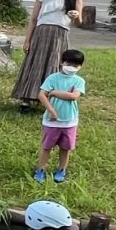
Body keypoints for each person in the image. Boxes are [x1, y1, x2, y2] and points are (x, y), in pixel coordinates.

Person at [13, 0, 82, 109]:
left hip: (59, 34)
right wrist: (27, 40)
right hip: (41, 32)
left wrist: (75, 15)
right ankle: (27, 98)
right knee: (34, 63)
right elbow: (33, 19)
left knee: (55, 64)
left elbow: (78, 21)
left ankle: (51, 98)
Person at [37, 48, 87, 184]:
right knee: (46, 147)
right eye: (68, 64)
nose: (71, 68)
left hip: (69, 122)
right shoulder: (52, 78)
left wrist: (53, 93)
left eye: (75, 65)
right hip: (51, 121)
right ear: (62, 63)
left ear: (80, 66)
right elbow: (41, 95)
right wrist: (51, 110)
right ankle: (40, 169)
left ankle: (61, 170)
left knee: (65, 148)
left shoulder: (79, 81)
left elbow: (73, 96)